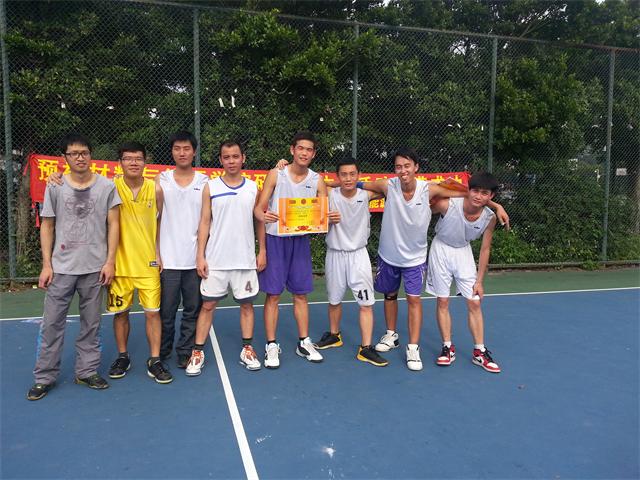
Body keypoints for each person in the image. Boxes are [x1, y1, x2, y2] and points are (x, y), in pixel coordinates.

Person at [358, 148, 508, 371]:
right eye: (398, 166)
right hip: (394, 253)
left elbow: (468, 195)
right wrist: (332, 185)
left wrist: (495, 206)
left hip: (424, 256)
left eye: (407, 166)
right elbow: (356, 183)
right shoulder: (388, 186)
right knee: (394, 296)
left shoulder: (431, 191)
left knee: (443, 301)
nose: (403, 170)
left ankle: (429, 348)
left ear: (416, 167)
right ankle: (399, 336)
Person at [27, 133, 121, 401]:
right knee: (51, 324)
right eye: (74, 153)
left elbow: (114, 223)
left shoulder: (106, 186)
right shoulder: (55, 186)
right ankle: (44, 377)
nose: (80, 157)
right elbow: (47, 225)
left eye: (84, 153)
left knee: (91, 324)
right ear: (65, 157)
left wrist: (110, 261)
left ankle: (87, 371)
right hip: (61, 268)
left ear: (91, 155)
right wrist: (47, 264)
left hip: (94, 268)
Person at [254, 131, 338, 368]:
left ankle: (304, 342)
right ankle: (271, 345)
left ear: (313, 154)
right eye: (300, 148)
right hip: (275, 240)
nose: (304, 153)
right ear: (292, 150)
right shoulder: (276, 174)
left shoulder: (317, 180)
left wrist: (329, 218)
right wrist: (263, 215)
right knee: (273, 295)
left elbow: (323, 213)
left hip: (300, 241)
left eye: (309, 149)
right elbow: (258, 209)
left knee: (301, 294)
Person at [185, 140, 266, 376]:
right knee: (208, 305)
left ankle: (247, 349)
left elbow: (259, 220)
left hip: (244, 260)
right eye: (226, 157)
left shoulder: (253, 188)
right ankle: (197, 351)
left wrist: (262, 250)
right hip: (216, 260)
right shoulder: (210, 187)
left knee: (247, 305)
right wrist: (200, 255)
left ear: (243, 158)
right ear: (220, 160)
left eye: (235, 156)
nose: (231, 161)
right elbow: (204, 222)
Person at [106, 142, 173, 383]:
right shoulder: (111, 187)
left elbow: (159, 223)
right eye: (128, 158)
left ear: (145, 162)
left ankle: (154, 360)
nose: (133, 162)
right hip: (120, 266)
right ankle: (123, 356)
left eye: (138, 158)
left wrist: (158, 252)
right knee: (120, 314)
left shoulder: (155, 189)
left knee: (153, 314)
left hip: (148, 264)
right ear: (120, 163)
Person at [313, 155, 389, 367]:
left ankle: (366, 348)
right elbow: (310, 181)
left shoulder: (366, 195)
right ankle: (334, 335)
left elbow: (385, 187)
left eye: (352, 174)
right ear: (337, 176)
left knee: (366, 303)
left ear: (359, 175)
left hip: (358, 255)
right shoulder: (330, 194)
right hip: (335, 254)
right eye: (343, 175)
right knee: (334, 300)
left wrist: (360, 184)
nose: (348, 178)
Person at [426, 172, 502, 373]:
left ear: (491, 196)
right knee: (443, 301)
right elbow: (425, 201)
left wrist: (479, 281)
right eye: (475, 191)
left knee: (474, 302)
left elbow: (485, 249)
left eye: (484, 193)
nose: (478, 196)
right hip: (441, 250)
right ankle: (447, 347)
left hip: (464, 253)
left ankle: (479, 351)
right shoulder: (447, 205)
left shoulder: (490, 218)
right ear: (468, 190)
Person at [157, 131, 208, 369]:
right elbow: (155, 219)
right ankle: (162, 350)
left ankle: (185, 351)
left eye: (186, 148)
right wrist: (156, 253)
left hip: (194, 259)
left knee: (192, 310)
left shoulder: (204, 182)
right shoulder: (161, 180)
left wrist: (202, 255)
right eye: (177, 148)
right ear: (172, 152)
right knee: (166, 312)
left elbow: (206, 221)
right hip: (167, 259)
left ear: (194, 152)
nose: (182, 153)